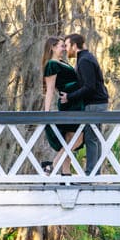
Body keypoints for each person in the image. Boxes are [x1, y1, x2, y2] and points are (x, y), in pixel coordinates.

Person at [60, 33, 109, 175]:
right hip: (97, 103)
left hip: (94, 104)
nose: (66, 49)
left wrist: (70, 97)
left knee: (91, 139)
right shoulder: (85, 58)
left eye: (67, 46)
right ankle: (95, 174)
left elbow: (89, 87)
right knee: (94, 138)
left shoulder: (85, 61)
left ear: (75, 46)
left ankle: (91, 175)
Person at [41, 36, 84, 175]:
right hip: (69, 105)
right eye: (61, 46)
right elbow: (50, 89)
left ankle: (66, 173)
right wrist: (46, 112)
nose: (65, 49)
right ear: (52, 47)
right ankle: (52, 165)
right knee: (78, 139)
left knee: (70, 139)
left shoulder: (62, 62)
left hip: (75, 102)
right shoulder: (51, 65)